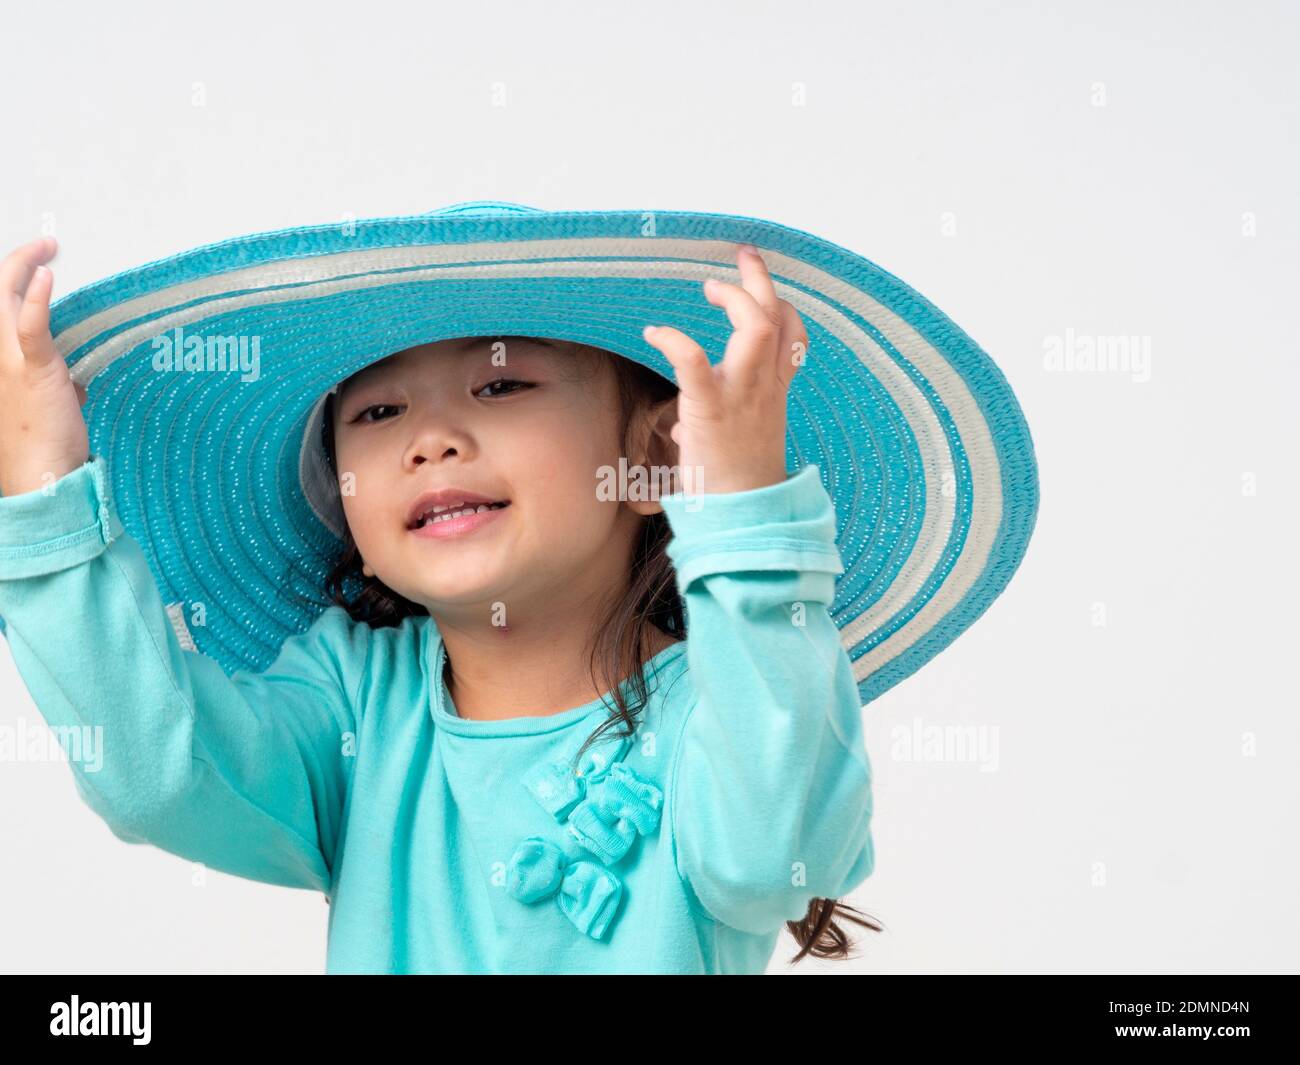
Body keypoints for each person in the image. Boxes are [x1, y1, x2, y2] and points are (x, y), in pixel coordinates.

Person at [0, 233, 882, 973]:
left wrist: (741, 514)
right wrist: (44, 502)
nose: (428, 441)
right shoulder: (355, 706)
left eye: (500, 387)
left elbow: (776, 858)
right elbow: (157, 775)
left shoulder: (717, 715)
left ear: (657, 459)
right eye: (378, 411)